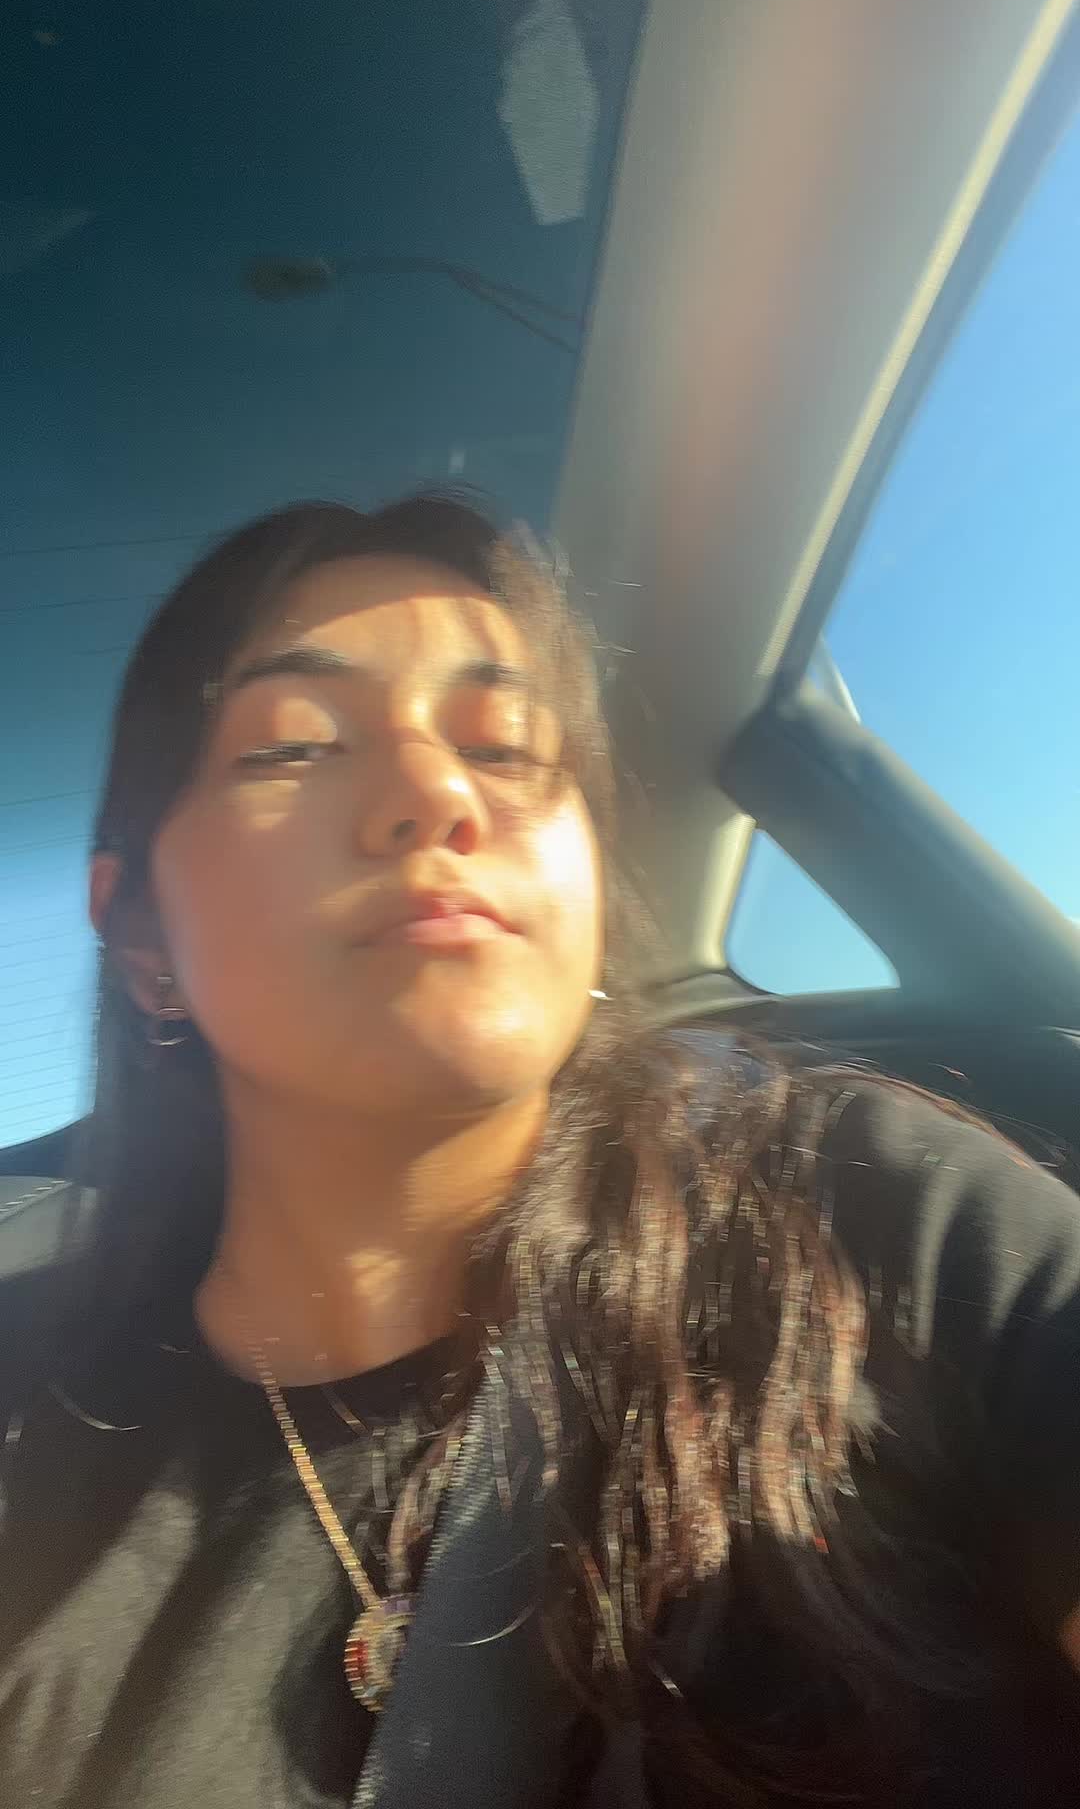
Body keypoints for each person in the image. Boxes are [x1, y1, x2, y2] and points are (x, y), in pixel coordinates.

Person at [1, 495, 1078, 1809]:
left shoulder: (873, 1213)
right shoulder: (31, 1457)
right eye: (293, 746)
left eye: (507, 748)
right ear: (138, 936)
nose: (438, 794)